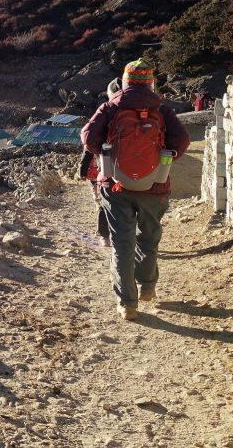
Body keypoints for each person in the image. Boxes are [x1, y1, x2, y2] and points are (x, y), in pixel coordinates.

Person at [81, 59, 190, 320]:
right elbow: (182, 140)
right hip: (156, 185)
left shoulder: (111, 106)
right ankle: (148, 287)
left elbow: (88, 137)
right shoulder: (162, 110)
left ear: (125, 81)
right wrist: (161, 160)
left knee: (122, 243)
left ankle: (127, 304)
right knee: (149, 237)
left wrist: (108, 157)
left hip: (116, 185)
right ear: (151, 82)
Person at [77, 78, 121, 247]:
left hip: (105, 168)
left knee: (103, 202)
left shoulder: (106, 113)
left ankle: (105, 236)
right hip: (136, 170)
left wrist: (82, 170)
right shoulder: (145, 110)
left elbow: (88, 146)